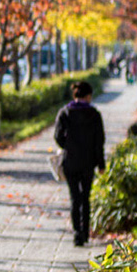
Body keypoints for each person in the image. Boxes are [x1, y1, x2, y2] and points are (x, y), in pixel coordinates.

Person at [52, 80, 105, 246]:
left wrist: (67, 147)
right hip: (88, 162)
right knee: (86, 198)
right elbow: (99, 142)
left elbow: (57, 136)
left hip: (70, 162)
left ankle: (76, 233)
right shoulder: (94, 114)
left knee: (74, 197)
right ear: (88, 96)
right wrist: (101, 164)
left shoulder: (64, 113)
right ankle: (85, 233)